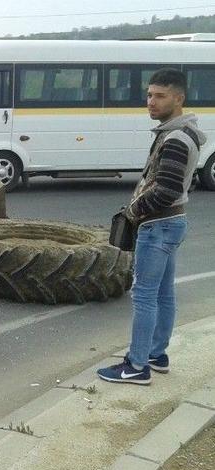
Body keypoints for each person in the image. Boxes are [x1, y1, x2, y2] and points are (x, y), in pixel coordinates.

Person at [97, 69, 205, 385]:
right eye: (149, 95)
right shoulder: (186, 133)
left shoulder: (174, 138)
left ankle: (136, 365)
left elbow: (167, 190)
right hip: (173, 222)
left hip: (157, 226)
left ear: (179, 98)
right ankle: (157, 354)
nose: (151, 102)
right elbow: (186, 183)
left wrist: (133, 211)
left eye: (160, 96)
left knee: (144, 296)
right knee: (163, 294)